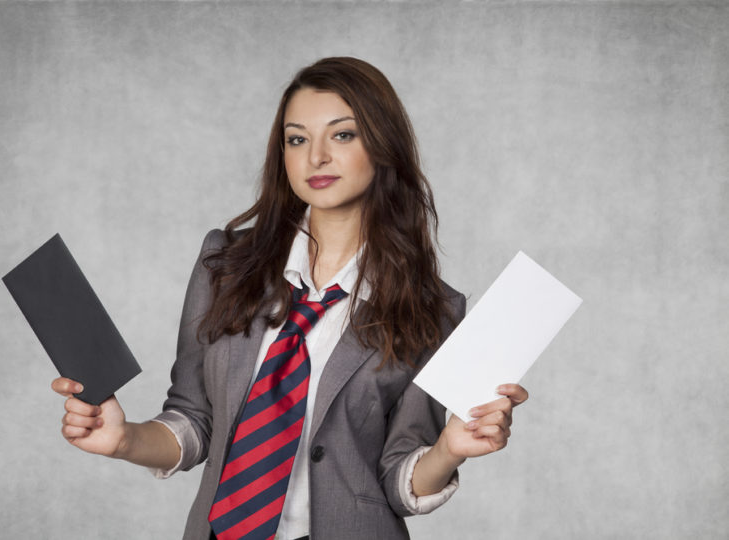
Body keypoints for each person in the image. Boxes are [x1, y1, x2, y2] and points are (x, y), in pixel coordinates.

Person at [52, 57, 528, 540]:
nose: (315, 157)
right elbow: (196, 420)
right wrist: (125, 439)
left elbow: (397, 477)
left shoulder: (432, 307)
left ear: (383, 147)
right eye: (297, 139)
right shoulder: (225, 264)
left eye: (342, 135)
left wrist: (449, 448)